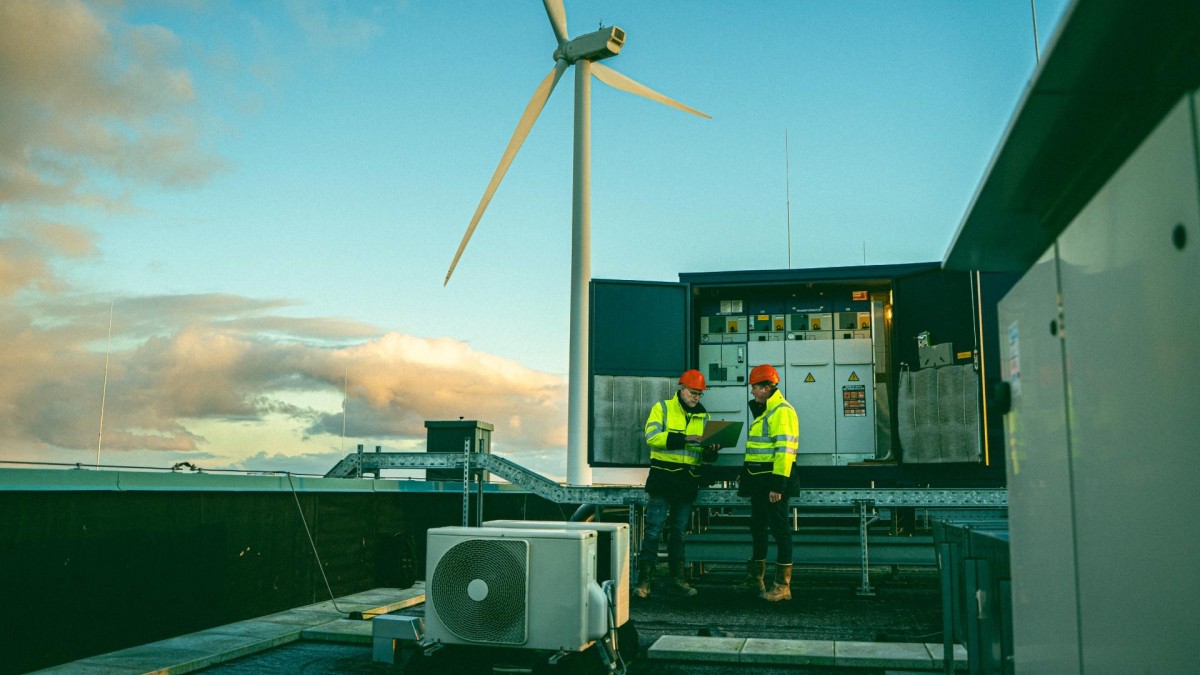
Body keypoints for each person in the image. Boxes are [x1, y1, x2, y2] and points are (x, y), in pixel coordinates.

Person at [634, 369, 721, 599]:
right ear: (681, 389)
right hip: (663, 479)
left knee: (679, 533)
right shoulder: (662, 408)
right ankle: (644, 582)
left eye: (700, 394)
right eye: (693, 393)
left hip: (686, 481)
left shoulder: (705, 417)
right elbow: (652, 437)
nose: (696, 398)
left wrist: (712, 450)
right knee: (653, 531)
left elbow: (703, 456)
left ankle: (677, 579)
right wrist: (684, 438)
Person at [736, 364, 800, 602]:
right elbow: (758, 449)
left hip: (773, 481)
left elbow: (784, 451)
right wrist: (747, 473)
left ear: (765, 387)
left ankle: (782, 586)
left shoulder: (781, 411)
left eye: (754, 387)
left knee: (780, 529)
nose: (751, 392)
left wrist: (778, 486)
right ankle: (756, 580)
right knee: (758, 527)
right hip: (759, 480)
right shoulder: (766, 410)